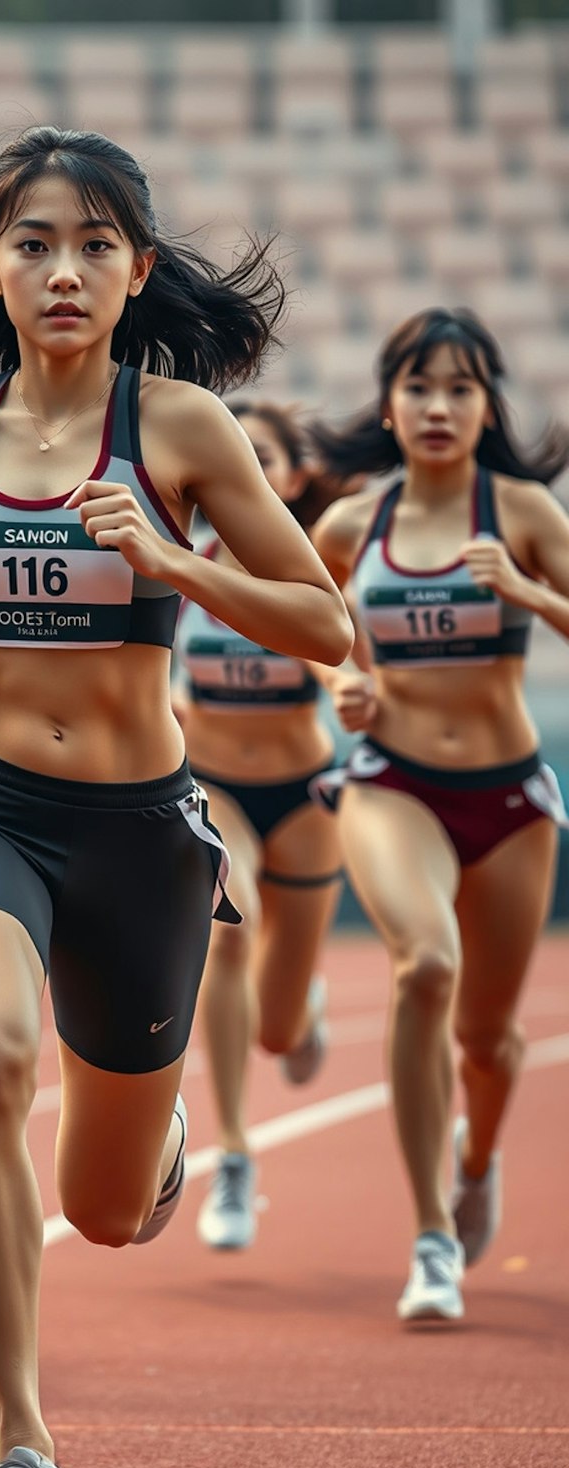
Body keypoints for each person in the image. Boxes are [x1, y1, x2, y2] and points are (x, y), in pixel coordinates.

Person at [0, 126, 352, 1468]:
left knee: (106, 1211)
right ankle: (21, 1437)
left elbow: (322, 620)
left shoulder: (181, 429)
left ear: (135, 272)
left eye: (94, 246)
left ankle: (164, 1134)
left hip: (138, 830)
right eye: (34, 244)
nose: (63, 270)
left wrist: (173, 556)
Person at [309, 307, 569, 1324]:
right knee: (423, 965)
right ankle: (428, 1238)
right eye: (419, 387)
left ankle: (476, 1158)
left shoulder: (520, 515)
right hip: (392, 783)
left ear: (485, 406)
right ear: (389, 403)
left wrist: (531, 595)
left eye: (460, 389)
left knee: (489, 1040)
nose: (437, 407)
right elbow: (307, 621)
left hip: (506, 799)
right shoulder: (350, 524)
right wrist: (339, 677)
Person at [177, 402, 346, 1253]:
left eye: (266, 454)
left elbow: (363, 653)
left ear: (293, 476)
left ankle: (300, 1005)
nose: (247, 468)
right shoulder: (183, 563)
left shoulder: (319, 566)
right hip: (218, 787)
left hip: (306, 793)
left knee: (278, 1026)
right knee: (228, 932)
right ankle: (234, 1152)